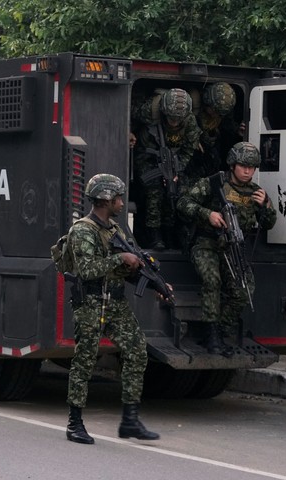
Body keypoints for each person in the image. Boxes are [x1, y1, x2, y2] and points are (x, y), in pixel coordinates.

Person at [64, 173, 159, 445]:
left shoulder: (115, 230)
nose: (121, 202)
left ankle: (130, 420)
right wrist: (120, 257)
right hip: (91, 302)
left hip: (115, 302)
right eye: (117, 197)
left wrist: (152, 283)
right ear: (105, 199)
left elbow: (126, 272)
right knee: (84, 360)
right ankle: (75, 423)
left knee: (137, 351)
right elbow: (86, 269)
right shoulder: (83, 230)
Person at [176, 142, 276, 355]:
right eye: (243, 166)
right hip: (207, 243)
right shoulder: (215, 183)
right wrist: (208, 214)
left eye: (252, 167)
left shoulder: (257, 192)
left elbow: (268, 224)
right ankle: (211, 335)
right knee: (212, 281)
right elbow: (183, 203)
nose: (247, 171)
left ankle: (220, 331)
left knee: (244, 291)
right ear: (233, 165)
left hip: (234, 249)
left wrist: (266, 206)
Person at [133, 88, 201, 250]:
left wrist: (175, 171)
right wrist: (129, 131)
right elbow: (128, 113)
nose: (174, 123)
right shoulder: (150, 111)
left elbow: (188, 150)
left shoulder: (190, 122)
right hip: (146, 155)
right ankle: (154, 234)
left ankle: (170, 232)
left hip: (173, 160)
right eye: (171, 118)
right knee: (155, 190)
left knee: (175, 190)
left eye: (178, 120)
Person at [190, 82, 245, 177]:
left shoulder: (222, 114)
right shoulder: (194, 111)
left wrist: (238, 133)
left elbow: (228, 132)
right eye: (215, 111)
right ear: (207, 103)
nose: (216, 115)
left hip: (212, 157)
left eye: (220, 114)